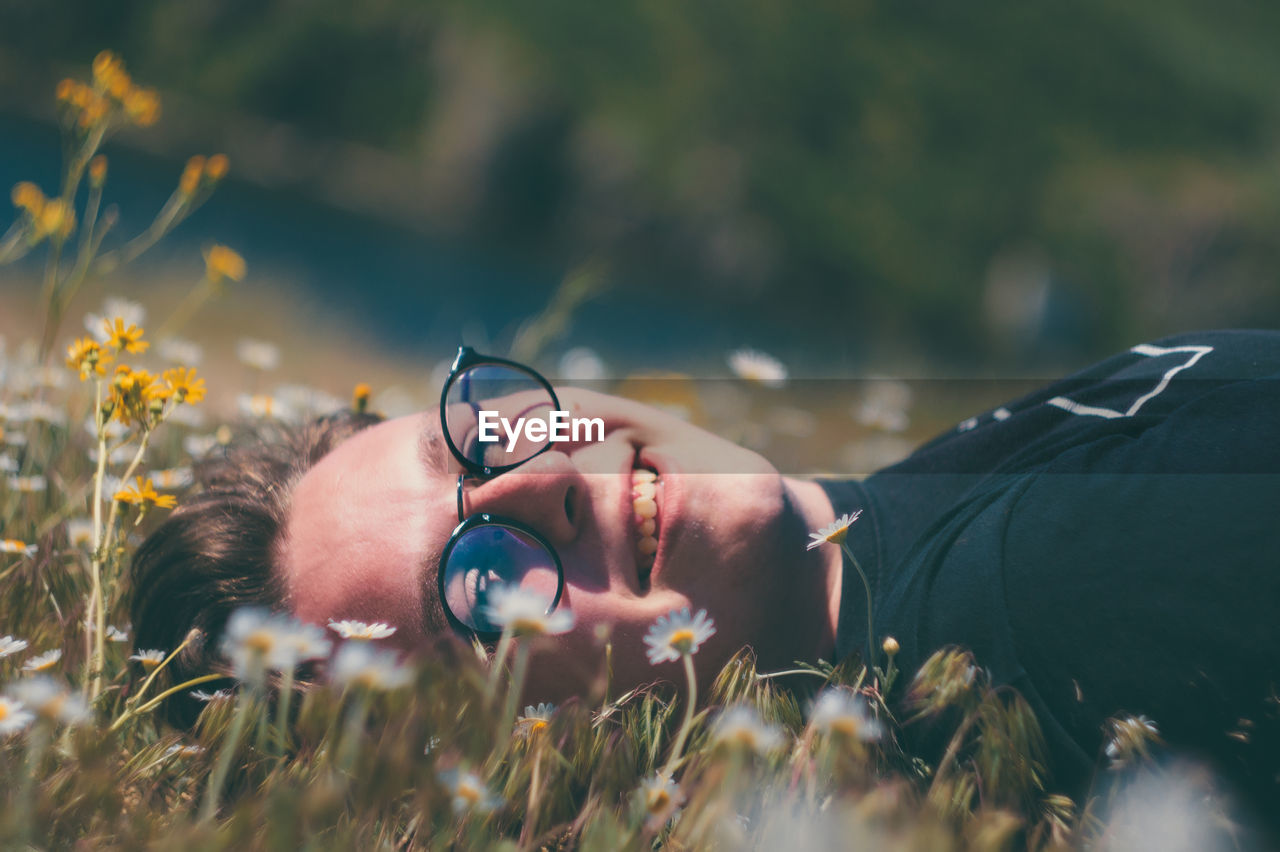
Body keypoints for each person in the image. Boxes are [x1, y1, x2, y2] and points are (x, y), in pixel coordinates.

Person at [131, 329, 1280, 814]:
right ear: (515, 767)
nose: (540, 480)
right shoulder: (1053, 601)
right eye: (481, 586)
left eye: (477, 437)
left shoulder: (898, 525)